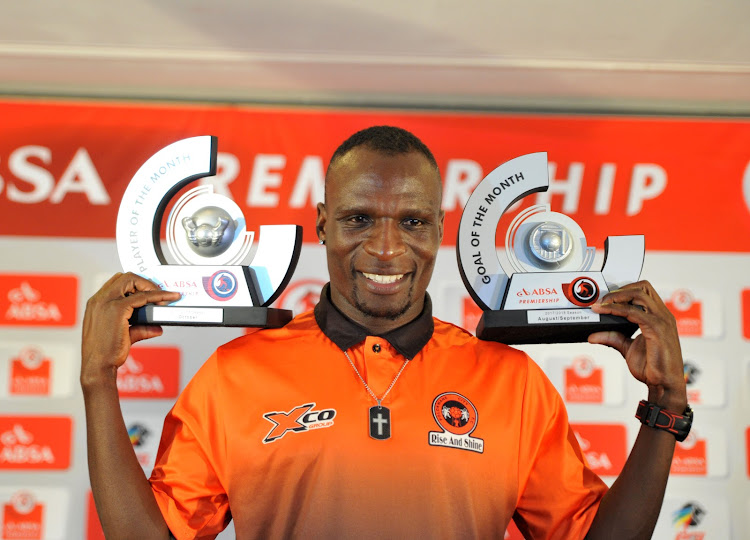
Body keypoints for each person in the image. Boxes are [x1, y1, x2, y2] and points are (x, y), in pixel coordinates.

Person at [81, 126, 688, 540]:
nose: (386, 247)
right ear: (321, 223)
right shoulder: (234, 375)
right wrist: (97, 384)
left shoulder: (512, 382)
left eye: (413, 221)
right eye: (358, 218)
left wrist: (665, 407)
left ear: (441, 229)